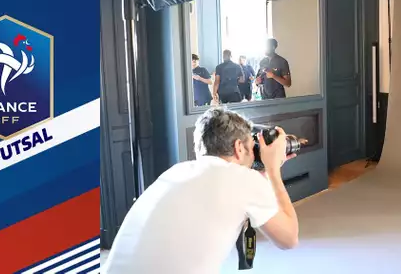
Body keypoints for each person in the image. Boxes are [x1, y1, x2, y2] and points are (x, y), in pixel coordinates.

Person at [102, 107, 299, 274]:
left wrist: (262, 173)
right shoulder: (245, 180)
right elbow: (289, 239)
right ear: (239, 147)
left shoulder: (176, 172)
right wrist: (273, 170)